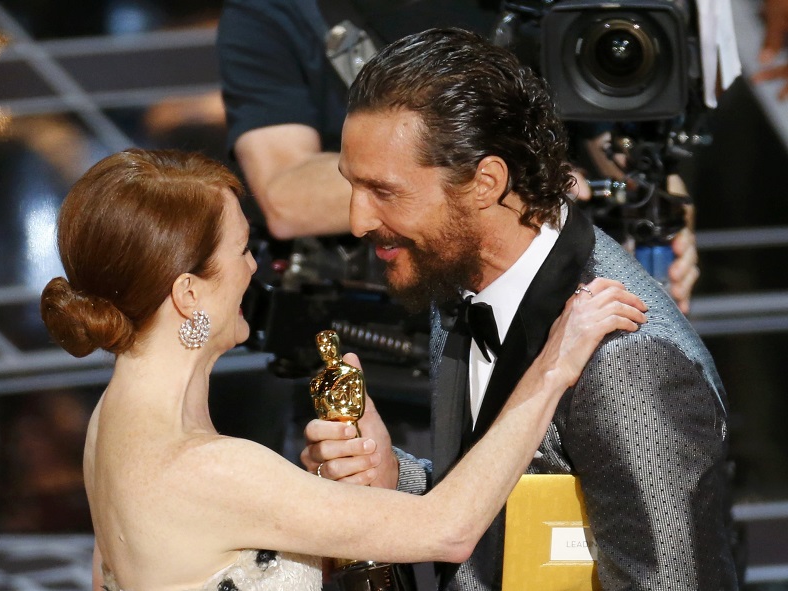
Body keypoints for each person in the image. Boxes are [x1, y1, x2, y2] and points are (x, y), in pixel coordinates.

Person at [38, 148, 646, 591]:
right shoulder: (210, 469)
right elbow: (449, 530)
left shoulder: (109, 426)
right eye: (244, 250)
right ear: (189, 294)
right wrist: (554, 365)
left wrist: (326, 500)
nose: (258, 270)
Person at [301, 28, 738, 590]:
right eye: (352, 187)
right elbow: (513, 515)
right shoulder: (458, 282)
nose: (357, 220)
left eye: (385, 191)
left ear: (485, 182)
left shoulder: (627, 360)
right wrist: (396, 478)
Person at [217, 0, 702, 313]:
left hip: (566, 318)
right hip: (381, 338)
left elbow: (614, 129)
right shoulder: (275, 12)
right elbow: (285, 192)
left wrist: (661, 211)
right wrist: (508, 178)